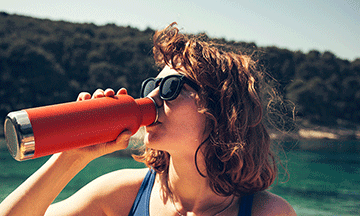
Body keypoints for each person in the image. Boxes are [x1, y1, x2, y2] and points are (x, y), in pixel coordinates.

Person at [0, 22, 296, 216]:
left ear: (222, 108)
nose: (151, 97)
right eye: (150, 86)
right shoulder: (122, 194)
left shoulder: (267, 212)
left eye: (171, 87)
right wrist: (70, 159)